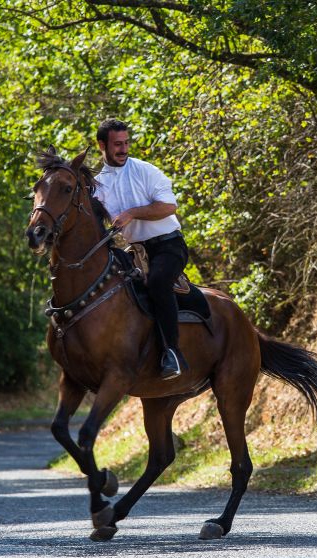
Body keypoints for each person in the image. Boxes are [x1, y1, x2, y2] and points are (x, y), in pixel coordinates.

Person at [94, 119, 189, 380]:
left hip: (169, 245)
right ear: (101, 145)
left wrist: (131, 214)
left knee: (158, 282)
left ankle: (173, 353)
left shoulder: (145, 170)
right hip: (135, 252)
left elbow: (169, 207)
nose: (124, 149)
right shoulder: (97, 186)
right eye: (117, 144)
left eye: (126, 143)